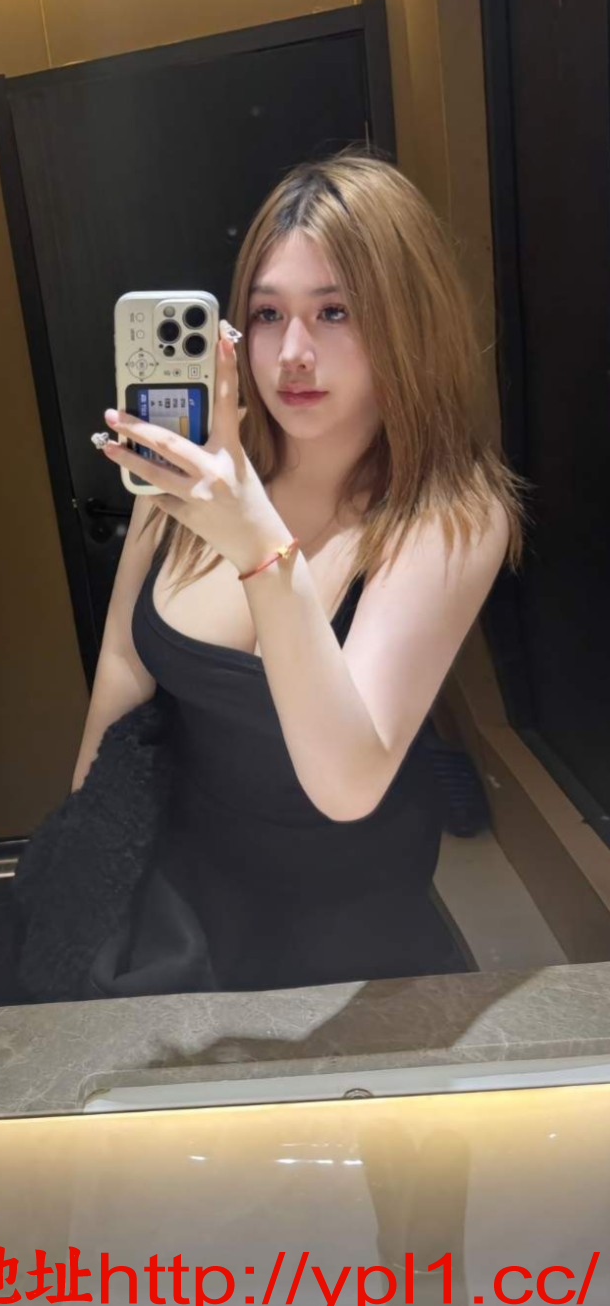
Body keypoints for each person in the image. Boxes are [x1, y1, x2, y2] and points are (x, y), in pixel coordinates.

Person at [66, 151, 527, 997]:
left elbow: (348, 783)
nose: (293, 353)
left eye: (335, 311)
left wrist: (259, 549)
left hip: (346, 953)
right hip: (176, 914)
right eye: (268, 313)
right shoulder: (197, 472)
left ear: (408, 321)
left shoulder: (447, 514)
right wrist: (88, 867)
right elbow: (124, 665)